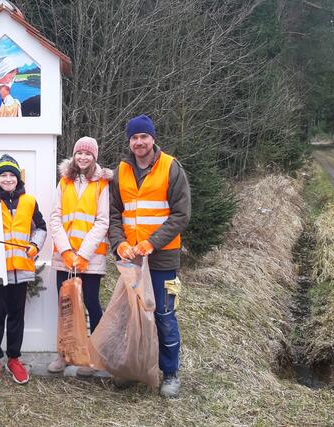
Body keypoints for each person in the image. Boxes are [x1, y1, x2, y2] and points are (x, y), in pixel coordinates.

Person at [108, 114, 191, 398]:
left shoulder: (171, 167)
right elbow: (114, 214)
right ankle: (133, 368)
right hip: (131, 259)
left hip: (162, 259)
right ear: (129, 142)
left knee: (164, 315)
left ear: (152, 138)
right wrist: (118, 243)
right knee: (132, 317)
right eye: (134, 138)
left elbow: (181, 215)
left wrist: (152, 243)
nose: (139, 142)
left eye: (144, 137)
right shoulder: (121, 171)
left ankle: (170, 373)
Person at [0, 154, 47, 389]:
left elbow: (41, 228)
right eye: (3, 175)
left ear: (18, 178)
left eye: (11, 175)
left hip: (22, 271)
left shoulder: (30, 201)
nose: (7, 179)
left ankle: (14, 359)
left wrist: (34, 246)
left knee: (17, 317)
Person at [47, 137, 112, 377]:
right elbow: (55, 217)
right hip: (64, 258)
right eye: (79, 153)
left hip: (90, 260)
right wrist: (66, 251)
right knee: (66, 307)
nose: (83, 157)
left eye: (88, 154)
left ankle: (94, 357)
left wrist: (83, 254)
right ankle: (65, 354)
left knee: (92, 305)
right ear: (74, 156)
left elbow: (102, 220)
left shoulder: (102, 184)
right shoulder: (64, 181)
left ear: (94, 157)